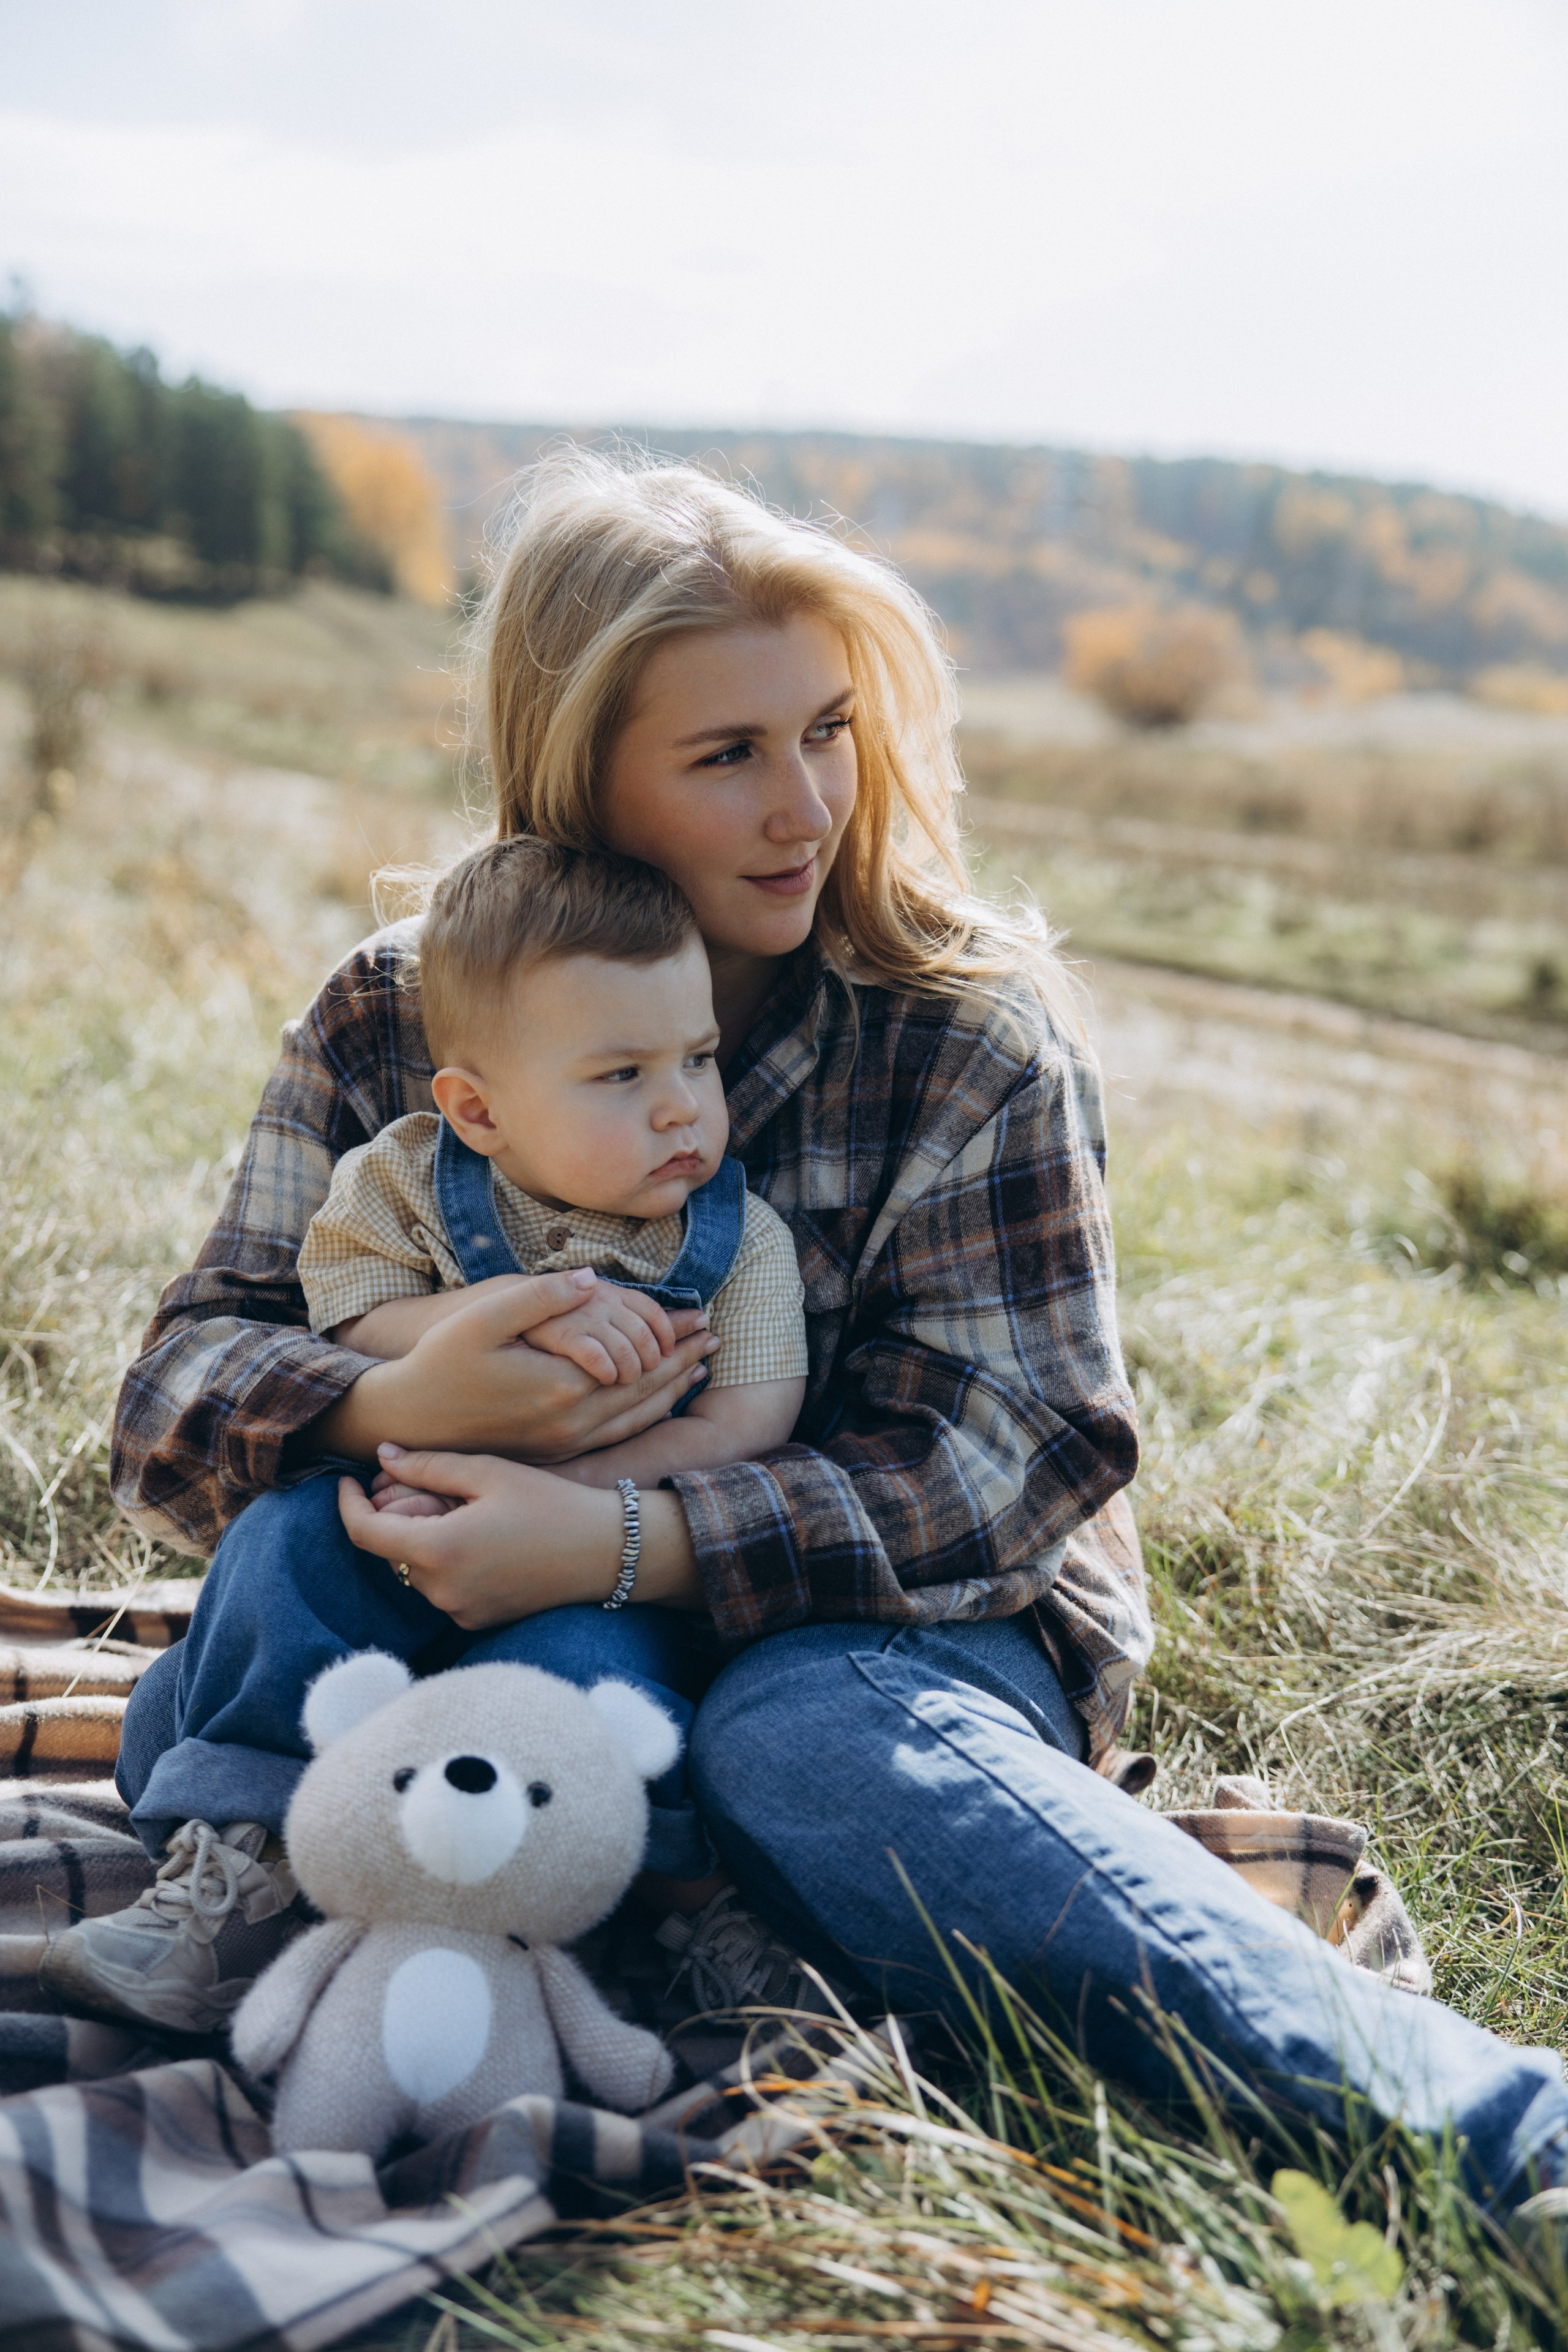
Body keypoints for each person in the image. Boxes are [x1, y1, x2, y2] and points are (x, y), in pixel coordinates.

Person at [51, 452, 1568, 2215]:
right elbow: (174, 1401)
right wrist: (394, 1388)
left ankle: (1499, 2147)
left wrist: (635, 1537)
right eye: (727, 755)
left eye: (829, 730)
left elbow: (1011, 1475)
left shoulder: (961, 1038)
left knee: (790, 1742)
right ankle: (459, 1906)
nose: (807, 806)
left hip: (884, 1635)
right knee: (288, 1592)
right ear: (582, 779)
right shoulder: (401, 1008)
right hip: (490, 1582)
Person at [296, 834, 807, 1507]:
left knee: (581, 1625)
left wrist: (550, 1496)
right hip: (399, 1487)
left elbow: (745, 1427)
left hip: (591, 1541)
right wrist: (518, 1312)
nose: (682, 1108)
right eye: (623, 1074)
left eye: (698, 1058)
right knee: (282, 1540)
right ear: (479, 1112)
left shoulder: (741, 1243)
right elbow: (355, 1324)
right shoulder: (401, 1182)